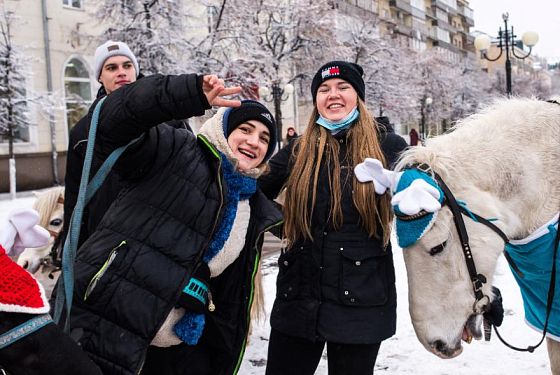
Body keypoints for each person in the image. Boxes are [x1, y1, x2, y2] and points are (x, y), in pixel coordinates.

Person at [59, 72, 282, 375]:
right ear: (224, 128)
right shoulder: (175, 151)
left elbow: (227, 296)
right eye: (245, 129)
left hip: (180, 347)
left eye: (265, 138)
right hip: (109, 325)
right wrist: (186, 94)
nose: (254, 141)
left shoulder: (252, 206)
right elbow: (110, 123)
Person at [259, 61, 403, 375]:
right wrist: (286, 223)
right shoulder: (298, 150)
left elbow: (424, 202)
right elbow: (255, 193)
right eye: (324, 90)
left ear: (358, 97)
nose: (332, 95)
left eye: (342, 87)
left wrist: (408, 194)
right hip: (299, 297)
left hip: (361, 299)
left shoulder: (387, 145)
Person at [62, 40, 191, 250]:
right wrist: (72, 250)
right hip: (106, 241)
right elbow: (75, 197)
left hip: (163, 237)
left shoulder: (169, 119)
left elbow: (190, 175)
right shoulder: (84, 132)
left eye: (127, 65)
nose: (121, 72)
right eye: (111, 68)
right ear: (100, 77)